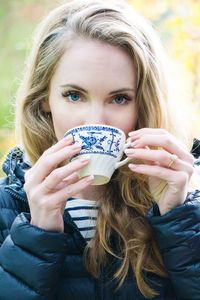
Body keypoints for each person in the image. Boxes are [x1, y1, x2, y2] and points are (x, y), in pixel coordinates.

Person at [0, 0, 199, 299]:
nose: (95, 120)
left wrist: (180, 218)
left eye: (119, 99)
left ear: (143, 105)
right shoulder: (8, 205)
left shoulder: (181, 199)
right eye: (74, 95)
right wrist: (37, 234)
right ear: (45, 99)